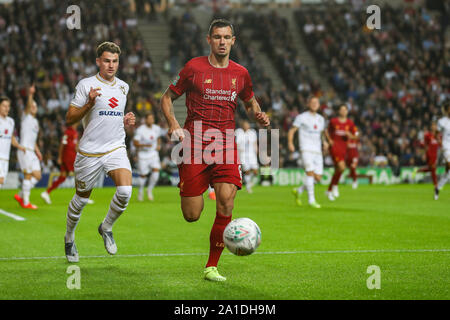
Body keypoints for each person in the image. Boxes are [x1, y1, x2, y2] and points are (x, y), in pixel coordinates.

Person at [160, 19, 270, 282]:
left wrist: (258, 115)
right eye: (217, 37)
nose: (222, 41)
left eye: (227, 37)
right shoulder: (193, 68)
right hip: (195, 146)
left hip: (225, 146)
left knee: (226, 202)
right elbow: (167, 97)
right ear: (209, 40)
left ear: (234, 40)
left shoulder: (240, 73)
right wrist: (174, 123)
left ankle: (211, 266)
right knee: (191, 215)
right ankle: (194, 191)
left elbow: (249, 101)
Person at [63, 41, 136, 263]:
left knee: (125, 191)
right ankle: (69, 237)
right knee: (81, 200)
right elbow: (70, 119)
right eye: (106, 61)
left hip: (115, 147)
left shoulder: (124, 87)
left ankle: (106, 227)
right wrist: (89, 104)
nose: (111, 65)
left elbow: (111, 116)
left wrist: (124, 121)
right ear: (98, 62)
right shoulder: (86, 85)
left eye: (114, 61)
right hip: (90, 151)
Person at [288, 96, 326, 208]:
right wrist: (290, 143)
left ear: (319, 105)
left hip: (317, 151)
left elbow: (322, 134)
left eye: (317, 102)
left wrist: (325, 143)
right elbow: (292, 130)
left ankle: (298, 190)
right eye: (312, 102)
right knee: (309, 172)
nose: (315, 104)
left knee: (317, 178)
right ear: (308, 104)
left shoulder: (321, 119)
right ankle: (311, 200)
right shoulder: (301, 117)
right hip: (306, 149)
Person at [40, 123, 86, 204]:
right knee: (81, 174)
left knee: (62, 177)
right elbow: (62, 144)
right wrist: (60, 157)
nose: (77, 123)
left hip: (71, 157)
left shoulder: (75, 132)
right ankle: (81, 197)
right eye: (76, 122)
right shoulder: (67, 132)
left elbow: (75, 146)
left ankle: (46, 193)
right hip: (68, 158)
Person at [14, 85, 43, 210]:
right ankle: (26, 203)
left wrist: (38, 151)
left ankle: (21, 195)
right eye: (32, 106)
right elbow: (27, 106)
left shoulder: (36, 122)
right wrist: (31, 94)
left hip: (32, 151)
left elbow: (34, 139)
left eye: (35, 106)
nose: (34, 108)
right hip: (24, 150)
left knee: (38, 176)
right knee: (27, 175)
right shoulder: (26, 117)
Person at [325, 104, 357, 201]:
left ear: (347, 111)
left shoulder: (350, 123)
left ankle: (330, 190)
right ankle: (335, 186)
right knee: (342, 167)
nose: (343, 111)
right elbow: (326, 130)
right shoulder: (333, 121)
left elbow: (356, 135)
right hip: (334, 147)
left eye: (345, 110)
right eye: (341, 110)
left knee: (338, 170)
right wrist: (329, 140)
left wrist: (350, 136)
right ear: (339, 111)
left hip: (344, 148)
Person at [133, 113, 165, 201]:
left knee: (156, 172)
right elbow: (135, 142)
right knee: (143, 175)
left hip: (153, 154)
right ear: (145, 120)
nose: (151, 120)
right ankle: (140, 191)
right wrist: (144, 146)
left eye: (152, 118)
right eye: (149, 118)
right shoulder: (140, 130)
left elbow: (158, 137)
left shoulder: (156, 128)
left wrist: (159, 145)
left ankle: (149, 190)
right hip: (143, 155)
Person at [0, 96, 26, 188]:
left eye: (8, 106)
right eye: (4, 106)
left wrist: (19, 146)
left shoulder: (11, 122)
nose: (7, 108)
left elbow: (12, 138)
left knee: (1, 182)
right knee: (1, 180)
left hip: (5, 158)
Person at [412, 122, 441, 199]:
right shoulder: (427, 135)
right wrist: (424, 153)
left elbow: (441, 144)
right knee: (433, 170)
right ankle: (436, 190)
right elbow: (424, 145)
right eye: (432, 125)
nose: (434, 127)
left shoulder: (439, 135)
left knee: (431, 170)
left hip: (436, 155)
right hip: (430, 155)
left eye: (435, 125)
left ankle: (417, 170)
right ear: (431, 127)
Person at [235, 120, 259, 193]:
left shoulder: (252, 132)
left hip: (252, 155)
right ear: (242, 126)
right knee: (247, 171)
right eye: (244, 125)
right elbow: (236, 143)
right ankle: (248, 186)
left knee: (255, 171)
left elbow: (255, 143)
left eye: (247, 125)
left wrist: (257, 150)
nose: (246, 126)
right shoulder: (239, 132)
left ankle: (250, 184)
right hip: (243, 155)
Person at [436, 102, 450, 198]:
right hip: (446, 145)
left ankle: (438, 187)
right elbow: (437, 133)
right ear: (446, 110)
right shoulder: (442, 121)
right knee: (449, 164)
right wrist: (439, 142)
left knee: (448, 172)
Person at [346, 123, 360, 189]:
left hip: (355, 155)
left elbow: (357, 134)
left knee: (353, 167)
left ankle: (355, 181)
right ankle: (353, 180)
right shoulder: (346, 138)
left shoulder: (355, 137)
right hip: (348, 156)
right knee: (350, 169)